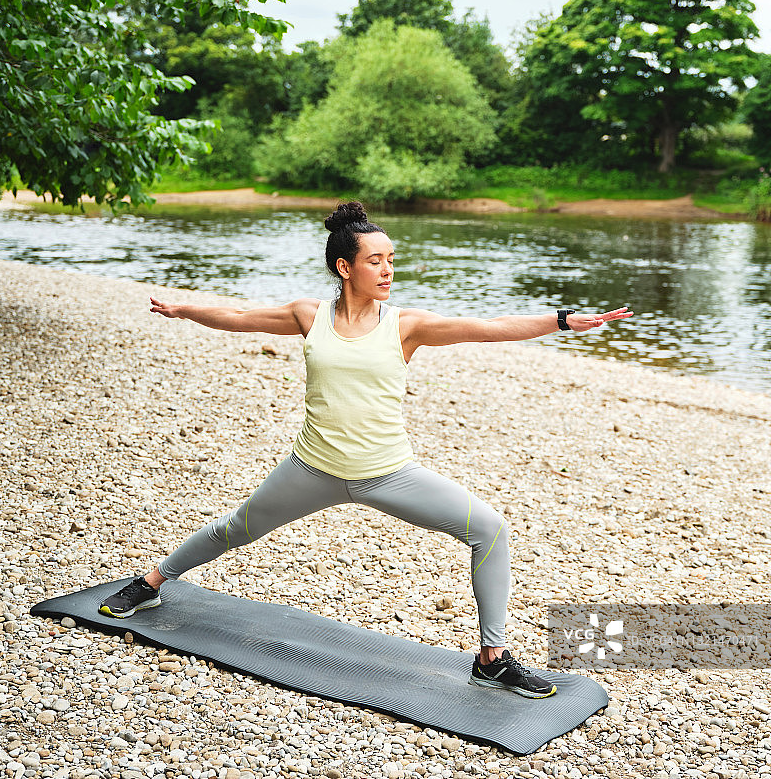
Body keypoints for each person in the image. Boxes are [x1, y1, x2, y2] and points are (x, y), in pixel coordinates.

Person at [99, 201, 632, 698]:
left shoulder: (406, 326)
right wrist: (184, 309)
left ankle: (492, 658)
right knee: (235, 528)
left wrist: (563, 320)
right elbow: (239, 316)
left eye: (391, 259)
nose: (387, 269)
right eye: (375, 260)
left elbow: (490, 328)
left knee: (490, 529)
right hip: (312, 469)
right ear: (344, 267)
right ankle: (150, 582)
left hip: (389, 474)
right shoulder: (309, 315)